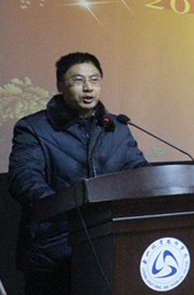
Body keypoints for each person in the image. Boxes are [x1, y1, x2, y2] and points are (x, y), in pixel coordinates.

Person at [8, 52, 149, 295]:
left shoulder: (116, 127)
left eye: (94, 80)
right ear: (60, 85)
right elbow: (25, 180)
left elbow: (138, 171)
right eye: (78, 80)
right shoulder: (33, 128)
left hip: (109, 242)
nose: (88, 88)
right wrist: (71, 209)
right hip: (54, 248)